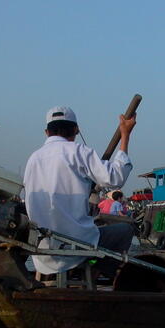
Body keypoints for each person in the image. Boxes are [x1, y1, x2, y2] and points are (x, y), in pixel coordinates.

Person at [24, 106, 136, 277]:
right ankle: (97, 272)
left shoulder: (33, 159)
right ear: (76, 130)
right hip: (77, 244)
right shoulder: (79, 152)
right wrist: (125, 135)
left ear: (47, 132)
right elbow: (115, 178)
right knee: (126, 230)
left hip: (42, 251)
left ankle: (84, 271)